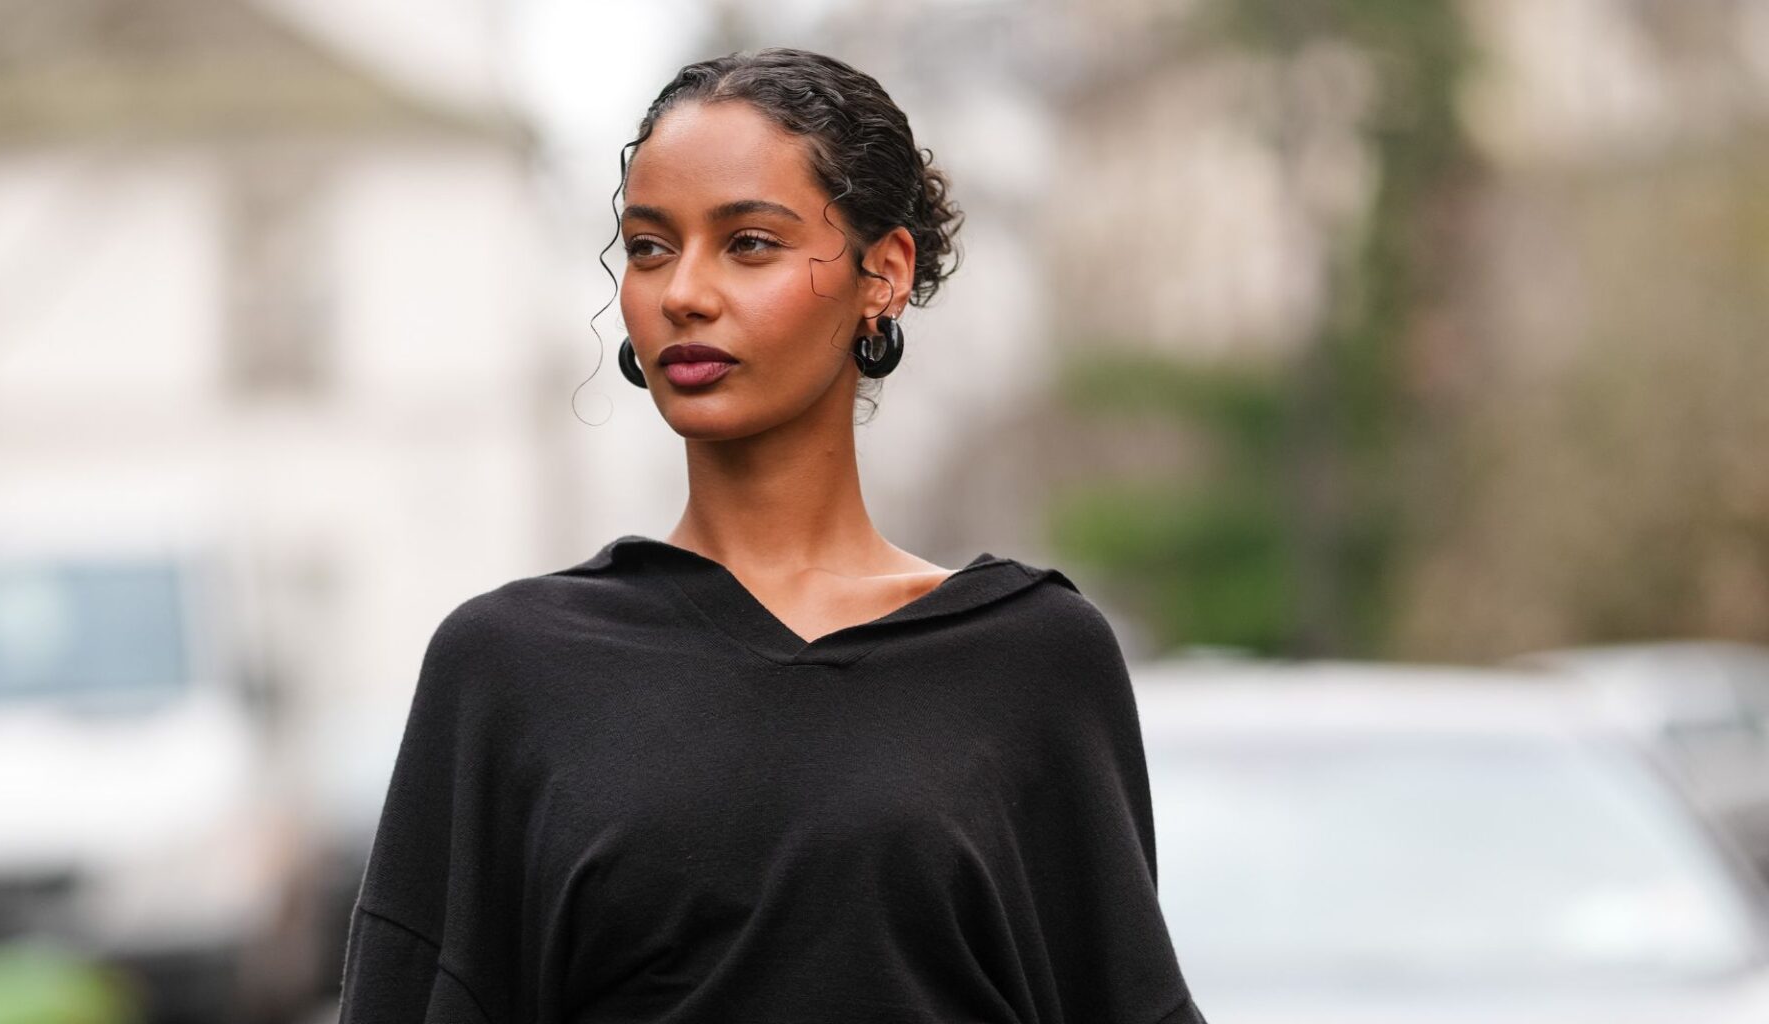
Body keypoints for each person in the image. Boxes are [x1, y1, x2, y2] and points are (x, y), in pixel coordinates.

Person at [337, 47, 1207, 1024]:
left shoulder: (1032, 662)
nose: (683, 292)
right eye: (650, 247)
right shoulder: (509, 671)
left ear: (883, 274)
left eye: (748, 243)